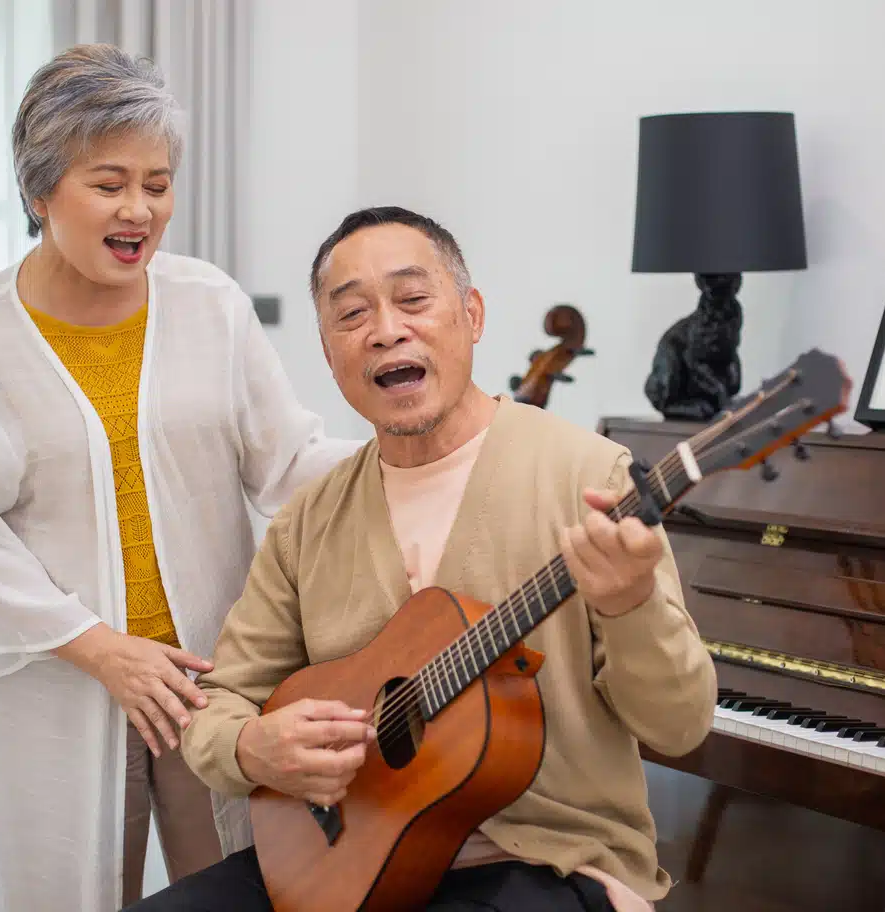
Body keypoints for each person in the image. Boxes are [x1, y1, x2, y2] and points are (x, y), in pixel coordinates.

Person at [128, 206, 718, 912]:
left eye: (413, 299)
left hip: (541, 860)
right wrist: (255, 748)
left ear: (471, 314)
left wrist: (630, 605)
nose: (385, 330)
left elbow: (680, 726)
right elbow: (222, 701)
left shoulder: (590, 480)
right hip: (345, 858)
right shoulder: (311, 518)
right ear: (327, 351)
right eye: (351, 316)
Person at [0, 45, 362, 912]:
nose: (140, 209)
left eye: (158, 183)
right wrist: (103, 650)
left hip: (210, 682)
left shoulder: (210, 305)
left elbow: (289, 463)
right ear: (40, 192)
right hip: (57, 687)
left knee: (237, 887)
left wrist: (418, 451)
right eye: (108, 182)